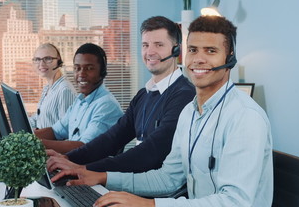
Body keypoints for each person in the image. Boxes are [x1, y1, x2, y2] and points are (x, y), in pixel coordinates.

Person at [53, 15, 273, 207]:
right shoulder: (190, 113)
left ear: (230, 57)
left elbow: (234, 202)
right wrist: (101, 177)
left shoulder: (244, 117)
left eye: (211, 51)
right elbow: (167, 178)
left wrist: (149, 204)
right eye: (193, 50)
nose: (199, 59)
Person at [46, 16, 196, 174]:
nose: (150, 52)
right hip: (135, 184)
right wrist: (69, 159)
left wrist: (85, 169)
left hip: (161, 192)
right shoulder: (143, 95)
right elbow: (112, 138)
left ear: (176, 50)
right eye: (145, 45)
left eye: (159, 45)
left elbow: (150, 152)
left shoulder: (184, 96)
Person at [34, 43, 123, 154]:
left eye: (89, 68)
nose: (81, 74)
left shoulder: (106, 105)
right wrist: (24, 137)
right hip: (72, 164)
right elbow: (56, 130)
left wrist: (34, 144)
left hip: (88, 168)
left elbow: (83, 147)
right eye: (77, 68)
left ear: (102, 72)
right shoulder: (80, 101)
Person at [28, 43, 77, 129]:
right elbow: (39, 118)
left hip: (50, 141)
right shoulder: (48, 88)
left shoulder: (64, 90)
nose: (41, 64)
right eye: (37, 59)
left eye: (48, 59)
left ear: (58, 61)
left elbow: (65, 129)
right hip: (41, 139)